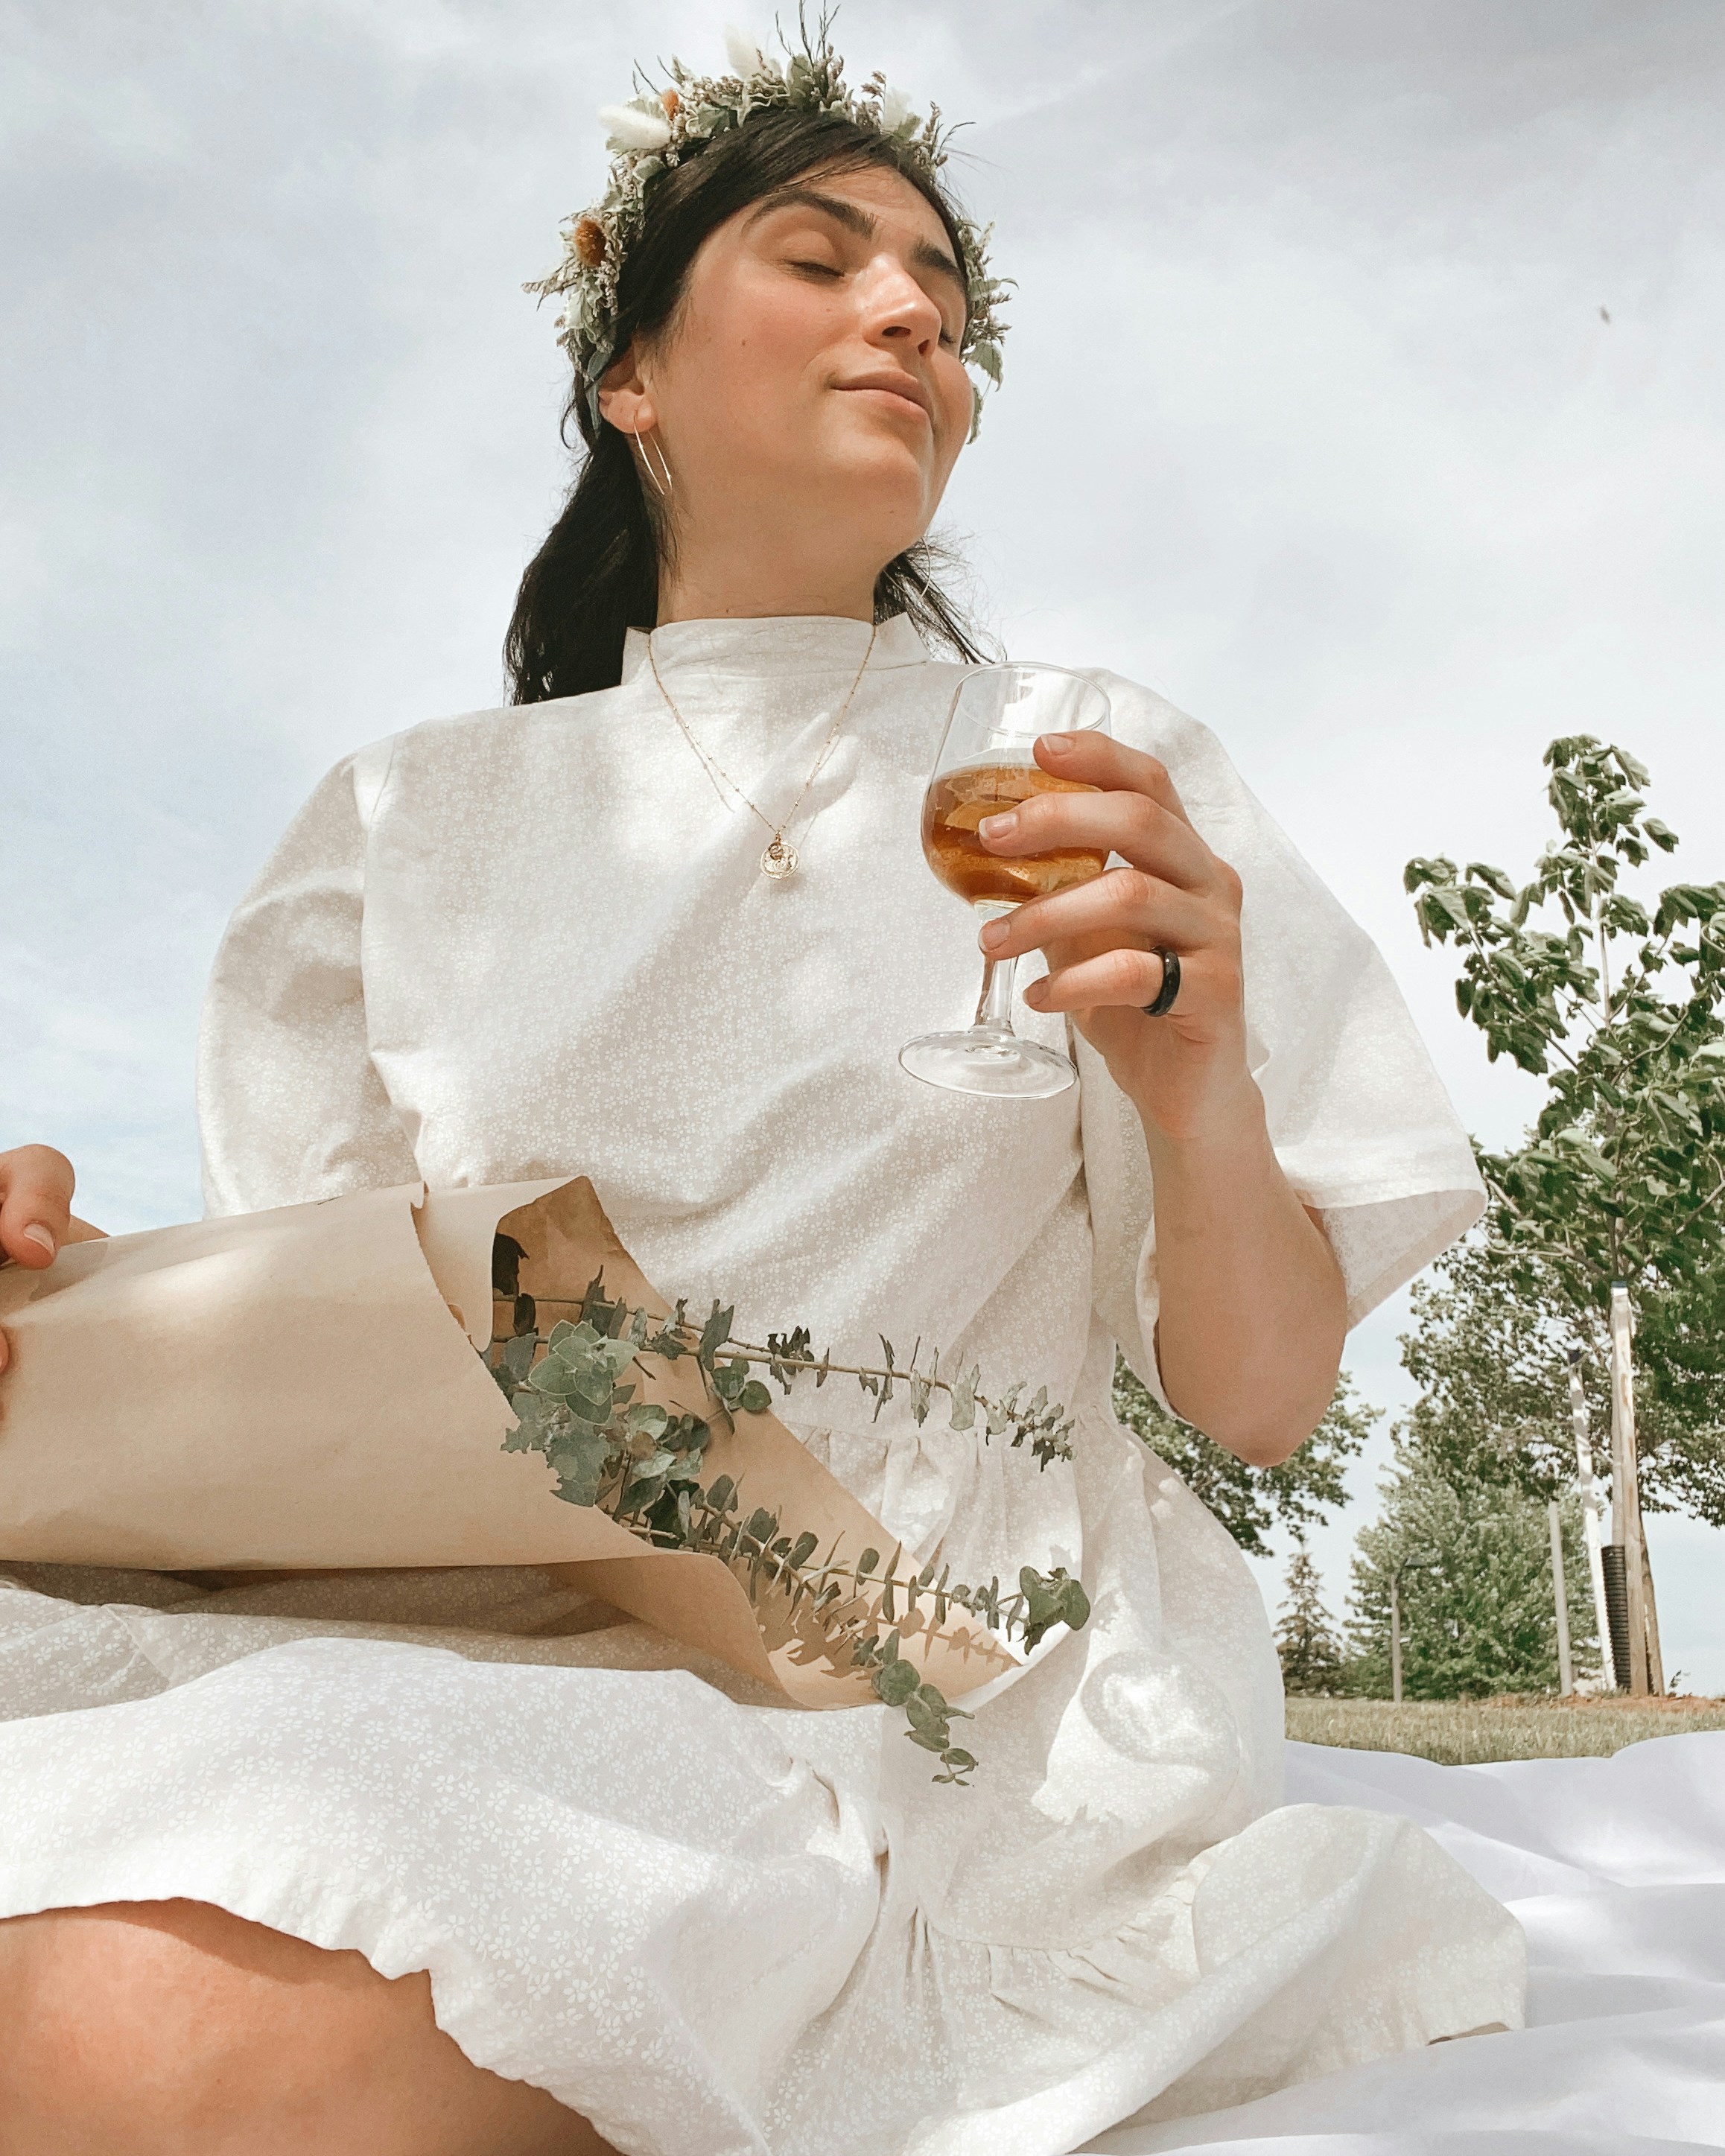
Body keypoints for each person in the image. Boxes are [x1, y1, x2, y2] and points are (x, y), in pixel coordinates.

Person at [0, 27, 1524, 2156]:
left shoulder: (1081, 761)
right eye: (821, 259)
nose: (912, 316)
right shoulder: (402, 822)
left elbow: (1256, 1403)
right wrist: (58, 1288)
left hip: (901, 1680)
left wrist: (1192, 1083)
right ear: (627, 376)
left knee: (153, 2031)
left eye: (946, 301)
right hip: (474, 1611)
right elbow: (326, 1366)